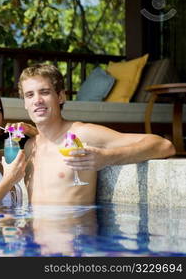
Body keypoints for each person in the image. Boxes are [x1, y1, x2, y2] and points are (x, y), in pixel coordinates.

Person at [18, 63, 176, 205]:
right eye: (29, 95)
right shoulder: (30, 146)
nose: (37, 100)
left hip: (75, 236)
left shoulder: (81, 134)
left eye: (44, 92)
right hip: (31, 237)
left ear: (60, 96)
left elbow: (164, 145)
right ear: (25, 103)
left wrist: (107, 157)